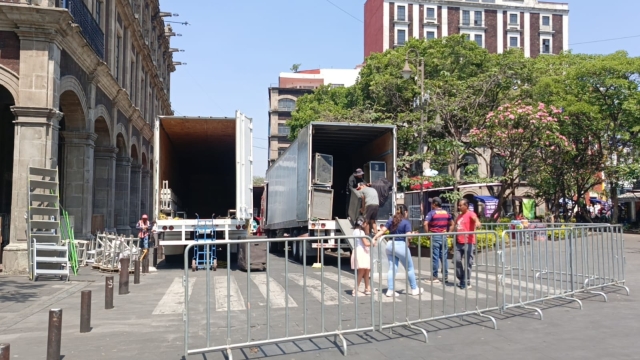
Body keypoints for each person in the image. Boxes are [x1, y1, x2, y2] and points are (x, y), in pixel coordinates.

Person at [373, 204, 424, 297]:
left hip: (389, 245)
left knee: (392, 269)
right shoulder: (406, 222)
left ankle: (390, 290)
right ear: (405, 212)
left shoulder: (391, 220)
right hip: (400, 246)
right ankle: (414, 289)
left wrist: (374, 238)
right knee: (409, 268)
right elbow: (409, 236)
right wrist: (414, 234)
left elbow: (382, 231)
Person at [423, 197, 453, 284]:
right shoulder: (446, 213)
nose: (431, 204)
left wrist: (428, 233)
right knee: (443, 256)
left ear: (435, 204)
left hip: (435, 236)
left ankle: (434, 276)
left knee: (435, 257)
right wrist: (448, 233)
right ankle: (445, 276)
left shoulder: (432, 213)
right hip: (444, 236)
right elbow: (452, 224)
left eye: (432, 203)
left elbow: (425, 223)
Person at [454, 199, 481, 289]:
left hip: (468, 243)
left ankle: (466, 281)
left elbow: (475, 218)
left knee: (468, 263)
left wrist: (477, 222)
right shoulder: (459, 216)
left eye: (460, 205)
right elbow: (455, 226)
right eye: (459, 205)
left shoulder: (471, 214)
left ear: (466, 206)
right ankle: (462, 279)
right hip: (459, 242)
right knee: (457, 260)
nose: (459, 207)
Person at [351, 216, 372, 296]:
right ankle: (355, 290)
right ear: (362, 223)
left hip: (359, 250)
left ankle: (367, 288)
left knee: (366, 270)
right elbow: (366, 243)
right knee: (362, 271)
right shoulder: (361, 232)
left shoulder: (355, 231)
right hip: (361, 251)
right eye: (365, 223)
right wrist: (373, 243)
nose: (366, 224)